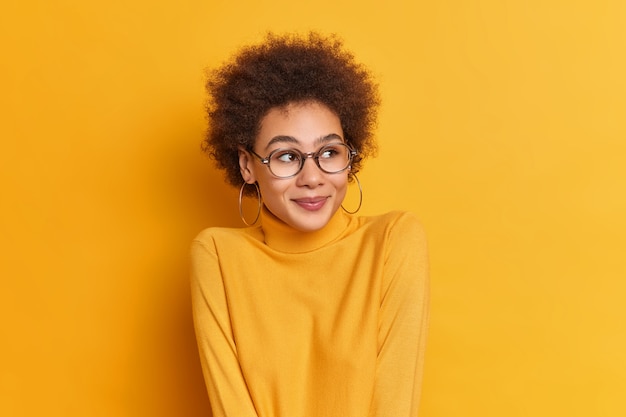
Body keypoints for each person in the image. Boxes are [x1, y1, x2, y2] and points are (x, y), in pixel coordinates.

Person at [190, 32, 429, 417]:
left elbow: (394, 402)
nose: (313, 177)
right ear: (247, 165)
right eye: (287, 156)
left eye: (329, 152)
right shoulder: (217, 255)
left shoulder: (392, 240)